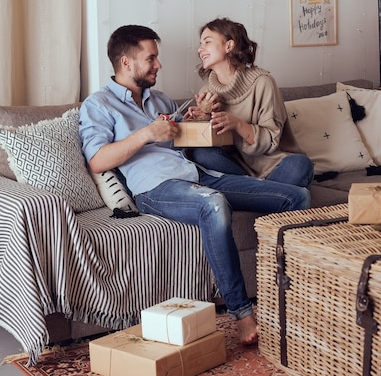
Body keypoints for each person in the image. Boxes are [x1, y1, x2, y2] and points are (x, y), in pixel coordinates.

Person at [78, 25, 311, 345]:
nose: (158, 65)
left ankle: (292, 295)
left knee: (297, 197)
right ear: (126, 62)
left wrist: (198, 115)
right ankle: (242, 312)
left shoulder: (158, 99)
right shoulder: (99, 105)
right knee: (214, 205)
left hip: (196, 174)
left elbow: (185, 141)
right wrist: (147, 134)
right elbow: (98, 160)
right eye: (152, 58)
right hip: (156, 189)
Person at [187, 17, 314, 188]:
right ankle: (268, 194)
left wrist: (237, 124)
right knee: (201, 154)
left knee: (300, 166)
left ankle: (253, 192)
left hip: (275, 166)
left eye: (207, 42)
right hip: (236, 169)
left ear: (229, 45)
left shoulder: (263, 82)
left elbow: (271, 140)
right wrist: (203, 120)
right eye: (200, 44)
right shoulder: (206, 93)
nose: (200, 49)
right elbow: (217, 151)